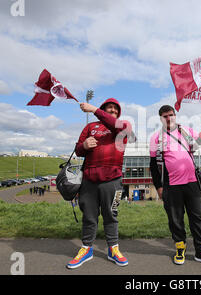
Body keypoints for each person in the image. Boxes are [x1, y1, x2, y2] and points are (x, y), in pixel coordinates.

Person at [149, 105, 201, 266]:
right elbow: (153, 165)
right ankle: (180, 248)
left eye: (170, 115)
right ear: (161, 118)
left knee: (198, 218)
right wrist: (159, 187)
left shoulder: (188, 131)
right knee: (175, 219)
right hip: (171, 185)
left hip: (192, 182)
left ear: (175, 115)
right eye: (164, 116)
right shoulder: (156, 138)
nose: (168, 118)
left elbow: (199, 146)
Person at [66, 98, 135, 269]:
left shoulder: (123, 125)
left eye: (115, 109)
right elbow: (78, 150)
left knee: (111, 214)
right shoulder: (90, 127)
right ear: (105, 109)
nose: (112, 111)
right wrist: (84, 145)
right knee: (89, 216)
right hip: (89, 180)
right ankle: (86, 248)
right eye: (109, 108)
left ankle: (113, 249)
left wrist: (95, 109)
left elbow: (117, 126)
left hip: (113, 180)